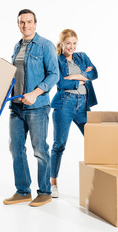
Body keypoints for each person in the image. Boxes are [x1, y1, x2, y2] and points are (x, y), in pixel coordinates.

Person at [3, 9, 59, 207]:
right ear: (18, 25)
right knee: (15, 149)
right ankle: (23, 191)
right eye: (21, 22)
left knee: (40, 150)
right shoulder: (17, 46)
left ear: (36, 24)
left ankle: (45, 192)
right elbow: (15, 75)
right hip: (16, 106)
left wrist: (35, 93)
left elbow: (54, 74)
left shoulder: (46, 46)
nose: (25, 25)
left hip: (37, 108)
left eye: (29, 22)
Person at [50, 29, 98, 198]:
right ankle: (53, 183)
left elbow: (95, 73)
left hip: (84, 105)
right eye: (68, 43)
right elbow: (61, 82)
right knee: (59, 144)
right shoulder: (56, 60)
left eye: (74, 43)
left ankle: (98, 179)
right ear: (62, 43)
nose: (71, 46)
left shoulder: (82, 56)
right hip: (65, 104)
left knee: (94, 141)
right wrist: (84, 77)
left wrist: (75, 76)